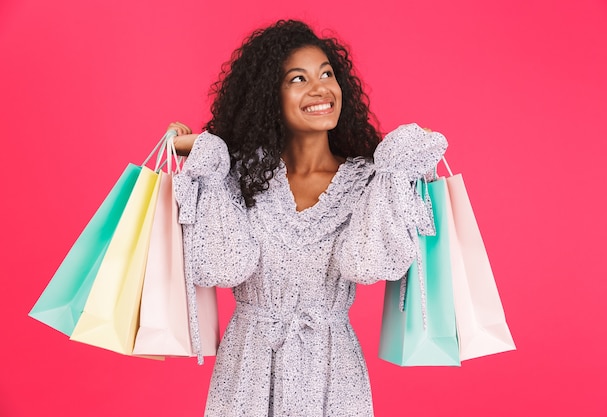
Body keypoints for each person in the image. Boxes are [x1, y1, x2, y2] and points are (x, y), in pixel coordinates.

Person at [168, 19, 447, 417]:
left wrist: (398, 169)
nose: (320, 89)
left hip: (333, 370)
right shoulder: (239, 175)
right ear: (269, 96)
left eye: (327, 74)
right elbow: (221, 267)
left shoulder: (371, 179)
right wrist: (206, 162)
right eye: (298, 79)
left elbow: (366, 265)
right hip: (247, 369)